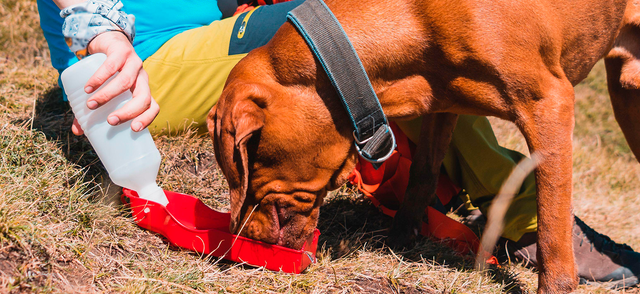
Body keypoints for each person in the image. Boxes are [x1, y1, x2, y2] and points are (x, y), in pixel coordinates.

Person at [38, 0, 640, 288]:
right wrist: (97, 31)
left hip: (229, 31)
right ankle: (528, 217)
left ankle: (481, 205)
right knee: (331, 29)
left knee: (390, 39)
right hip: (133, 61)